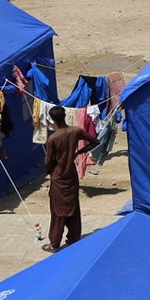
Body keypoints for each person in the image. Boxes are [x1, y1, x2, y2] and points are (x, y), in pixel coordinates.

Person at [43, 105, 98, 253]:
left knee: (58, 210)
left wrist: (50, 174)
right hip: (71, 175)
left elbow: (48, 162)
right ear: (65, 115)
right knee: (73, 206)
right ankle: (73, 237)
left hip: (59, 176)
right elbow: (95, 141)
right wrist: (78, 152)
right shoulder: (76, 131)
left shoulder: (53, 139)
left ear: (52, 119)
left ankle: (54, 243)